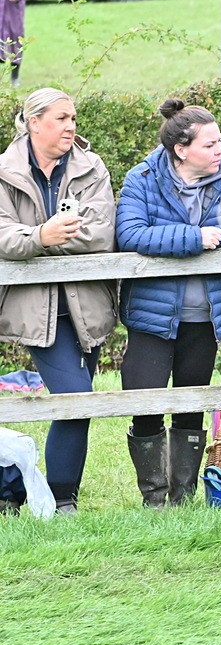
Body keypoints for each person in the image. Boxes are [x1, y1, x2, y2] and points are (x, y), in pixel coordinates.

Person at [116, 100, 221, 507]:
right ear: (182, 149)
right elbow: (130, 233)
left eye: (220, 142)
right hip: (151, 314)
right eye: (211, 144)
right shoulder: (142, 179)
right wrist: (194, 238)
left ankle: (182, 497)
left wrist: (211, 233)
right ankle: (154, 498)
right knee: (145, 405)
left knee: (191, 404)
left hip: (206, 316)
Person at [0, 88, 117, 514]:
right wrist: (40, 236)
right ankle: (57, 498)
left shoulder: (92, 167)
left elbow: (101, 233)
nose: (71, 126)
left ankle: (50, 496)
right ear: (34, 122)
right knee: (76, 396)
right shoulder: (4, 172)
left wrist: (37, 240)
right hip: (36, 311)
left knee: (77, 406)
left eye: (74, 118)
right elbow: (2, 235)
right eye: (62, 118)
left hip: (89, 306)